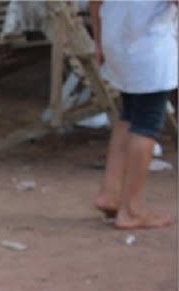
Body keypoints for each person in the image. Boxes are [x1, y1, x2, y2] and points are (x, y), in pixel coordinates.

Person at [90, 0, 177, 230]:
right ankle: (132, 209)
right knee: (146, 123)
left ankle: (110, 193)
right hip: (148, 44)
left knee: (128, 115)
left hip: (116, 41)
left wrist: (98, 41)